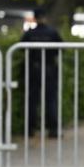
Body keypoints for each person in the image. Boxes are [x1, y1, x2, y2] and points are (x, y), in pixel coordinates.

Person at [20, 7, 62, 138]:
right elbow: (61, 48)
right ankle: (53, 130)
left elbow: (21, 48)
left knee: (32, 100)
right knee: (51, 100)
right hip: (49, 68)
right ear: (45, 17)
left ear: (35, 17)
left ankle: (29, 130)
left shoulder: (29, 33)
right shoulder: (53, 32)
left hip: (33, 69)